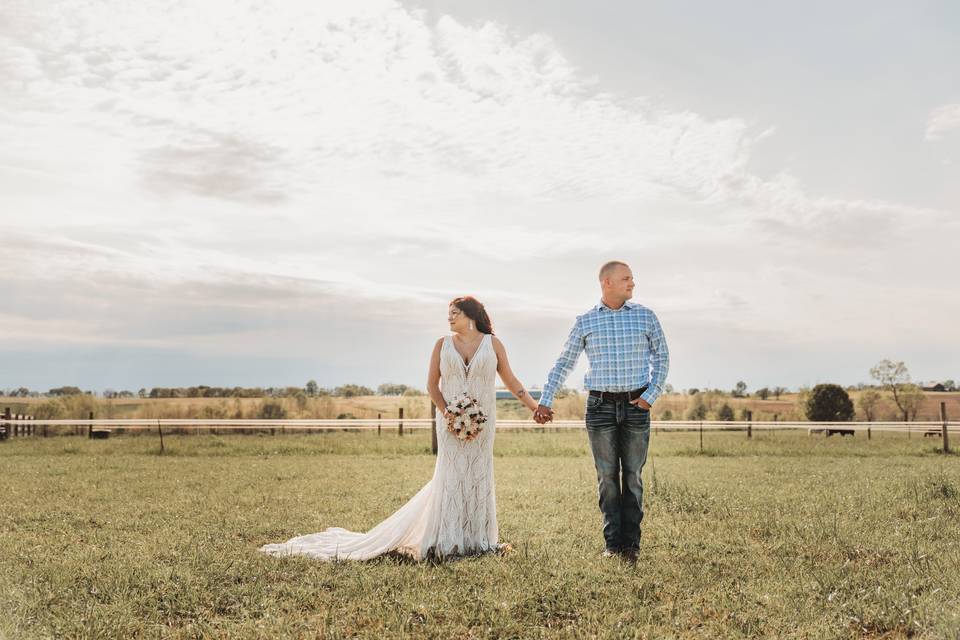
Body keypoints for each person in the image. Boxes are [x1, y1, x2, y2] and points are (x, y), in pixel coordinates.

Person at [259, 296, 539, 561]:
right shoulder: (442, 344)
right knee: (450, 476)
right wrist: (449, 415)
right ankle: (447, 540)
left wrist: (535, 408)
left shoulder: (493, 344)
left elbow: (512, 382)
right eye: (448, 314)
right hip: (450, 425)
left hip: (482, 426)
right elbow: (432, 386)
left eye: (455, 313)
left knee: (479, 476)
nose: (450, 318)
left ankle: (479, 541)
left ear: (471, 316)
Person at [534, 261, 669, 561]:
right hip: (599, 408)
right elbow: (564, 362)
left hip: (637, 406)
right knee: (607, 477)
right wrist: (545, 399)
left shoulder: (646, 317)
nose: (632, 283)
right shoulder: (585, 321)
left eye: (632, 278)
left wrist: (650, 396)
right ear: (606, 283)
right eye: (626, 279)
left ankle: (631, 546)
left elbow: (662, 357)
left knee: (632, 476)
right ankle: (612, 545)